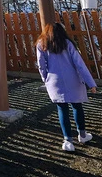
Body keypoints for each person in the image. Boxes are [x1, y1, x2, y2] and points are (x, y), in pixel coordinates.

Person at [36, 22, 98, 152]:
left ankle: (68, 141)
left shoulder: (41, 44)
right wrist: (91, 83)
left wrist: (46, 79)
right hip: (73, 79)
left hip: (54, 81)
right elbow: (79, 64)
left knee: (62, 109)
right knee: (77, 106)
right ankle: (82, 135)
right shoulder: (67, 43)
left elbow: (41, 66)